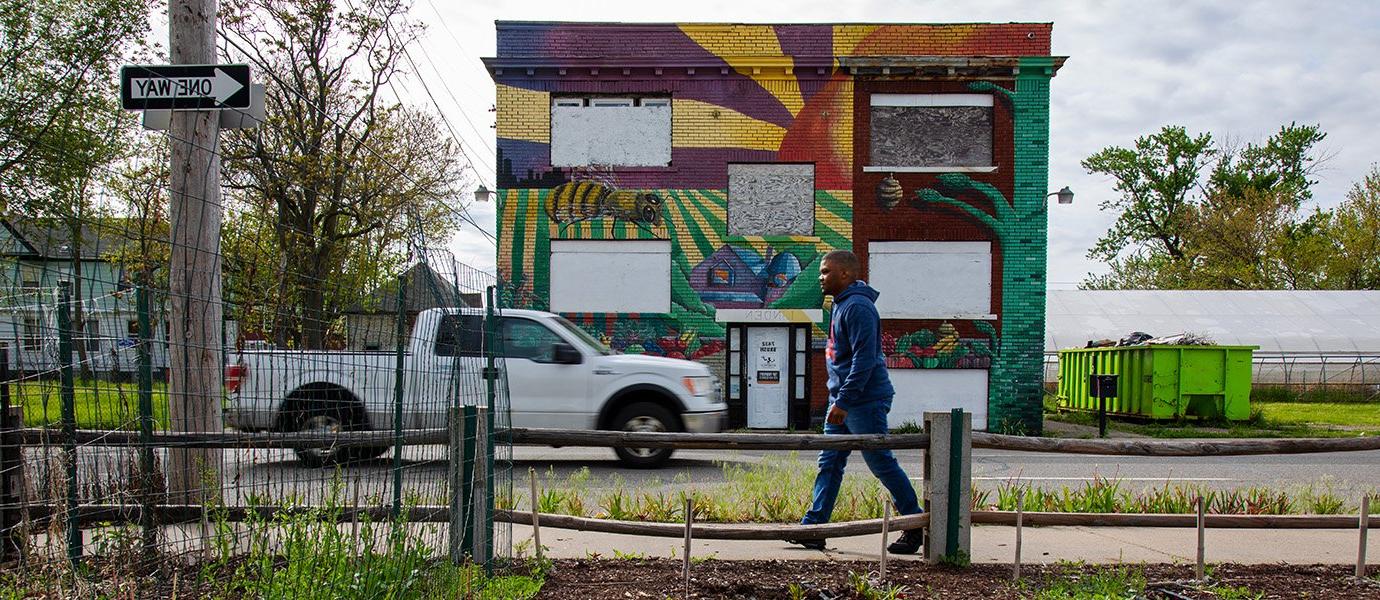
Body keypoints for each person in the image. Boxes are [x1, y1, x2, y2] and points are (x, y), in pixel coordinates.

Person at [789, 249, 924, 554]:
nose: (820, 278)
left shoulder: (859, 307)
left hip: (862, 401)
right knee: (830, 463)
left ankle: (915, 526)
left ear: (845, 274)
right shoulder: (842, 305)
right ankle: (814, 528)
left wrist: (844, 401)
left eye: (825, 272)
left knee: (881, 464)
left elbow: (865, 360)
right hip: (844, 400)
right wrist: (839, 399)